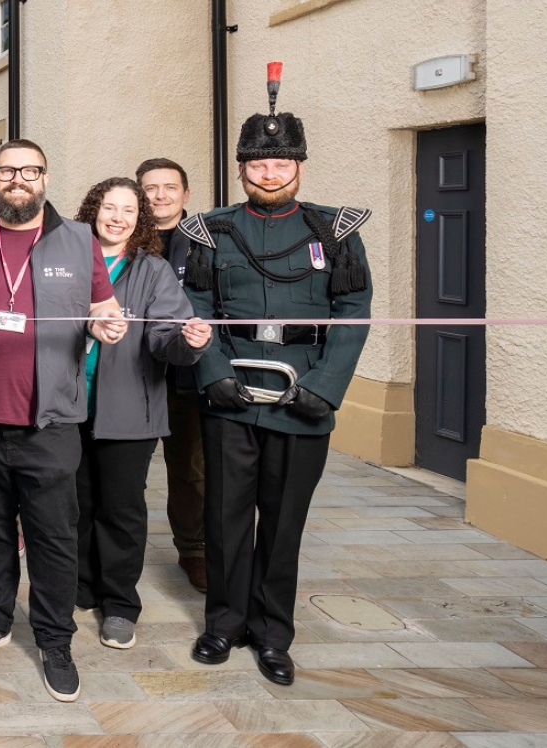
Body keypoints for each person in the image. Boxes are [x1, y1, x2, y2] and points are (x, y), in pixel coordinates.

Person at [182, 65, 371, 687]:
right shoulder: (210, 229)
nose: (269, 174)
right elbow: (196, 311)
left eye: (280, 164)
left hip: (303, 393)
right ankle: (224, 623)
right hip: (231, 391)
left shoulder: (334, 232)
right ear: (241, 170)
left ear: (299, 167)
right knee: (226, 517)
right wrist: (209, 372)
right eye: (257, 165)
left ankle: (271, 634)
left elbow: (353, 312)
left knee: (284, 521)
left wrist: (325, 386)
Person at [0, 138, 126, 703]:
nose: (18, 179)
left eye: (30, 170)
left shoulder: (78, 239)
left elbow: (103, 307)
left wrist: (107, 326)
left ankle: (54, 640)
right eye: (7, 171)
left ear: (45, 178)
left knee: (52, 537)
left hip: (50, 422)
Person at [70, 178, 212, 650]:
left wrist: (185, 341)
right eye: (109, 207)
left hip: (128, 410)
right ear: (93, 211)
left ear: (140, 219)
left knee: (121, 509)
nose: (117, 217)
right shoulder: (69, 262)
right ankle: (82, 585)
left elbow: (164, 336)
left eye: (128, 210)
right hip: (68, 407)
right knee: (78, 504)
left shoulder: (152, 270)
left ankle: (119, 604)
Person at [137, 157, 208, 594]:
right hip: (134, 375)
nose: (160, 195)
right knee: (126, 472)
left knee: (190, 470)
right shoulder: (124, 238)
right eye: (150, 188)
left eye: (169, 187)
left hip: (187, 376)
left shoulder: (209, 240)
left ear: (186, 194)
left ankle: (194, 551)